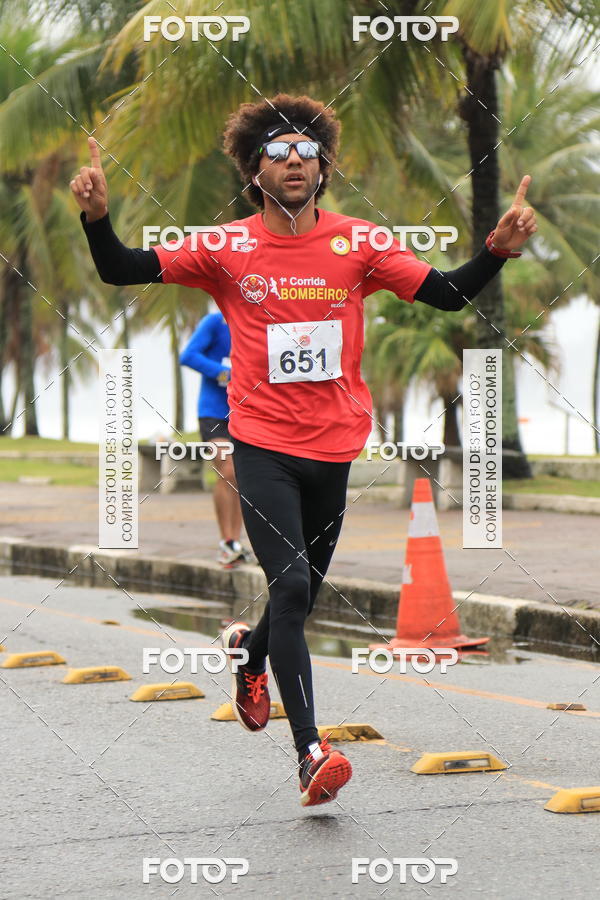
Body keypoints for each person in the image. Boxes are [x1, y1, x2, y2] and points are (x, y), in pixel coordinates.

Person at [72, 93, 536, 807]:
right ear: (255, 171)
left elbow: (446, 294)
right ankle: (309, 753)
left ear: (323, 170)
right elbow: (123, 269)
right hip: (261, 444)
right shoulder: (225, 246)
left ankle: (251, 658)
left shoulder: (360, 243)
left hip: (334, 447)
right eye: (278, 153)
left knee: (305, 592)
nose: (294, 161)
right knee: (289, 588)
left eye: (307, 153)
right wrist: (97, 218)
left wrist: (496, 253)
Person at [180, 307, 252, 568]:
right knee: (228, 469)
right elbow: (188, 356)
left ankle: (236, 543)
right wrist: (227, 374)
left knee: (241, 476)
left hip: (247, 412)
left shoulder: (258, 321)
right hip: (214, 412)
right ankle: (226, 542)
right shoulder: (214, 321)